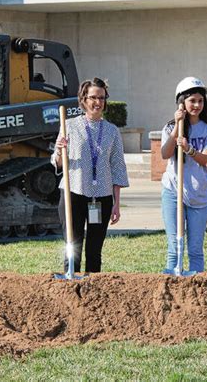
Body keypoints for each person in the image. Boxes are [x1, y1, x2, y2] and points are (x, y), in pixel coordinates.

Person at [51, 77, 129, 273]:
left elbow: (118, 167)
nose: (98, 102)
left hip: (101, 196)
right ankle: (70, 284)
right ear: (84, 99)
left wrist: (116, 203)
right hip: (73, 192)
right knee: (73, 245)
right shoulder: (69, 125)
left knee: (94, 250)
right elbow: (58, 163)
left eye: (101, 98)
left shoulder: (112, 131)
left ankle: (94, 290)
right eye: (93, 97)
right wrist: (60, 150)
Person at [160, 77, 207, 273]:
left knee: (195, 249)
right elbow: (164, 154)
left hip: (199, 194)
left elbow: (204, 160)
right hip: (173, 191)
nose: (197, 105)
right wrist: (178, 126)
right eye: (192, 100)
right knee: (174, 249)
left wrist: (189, 149)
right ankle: (172, 286)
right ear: (182, 103)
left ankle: (197, 290)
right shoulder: (170, 128)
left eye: (200, 101)